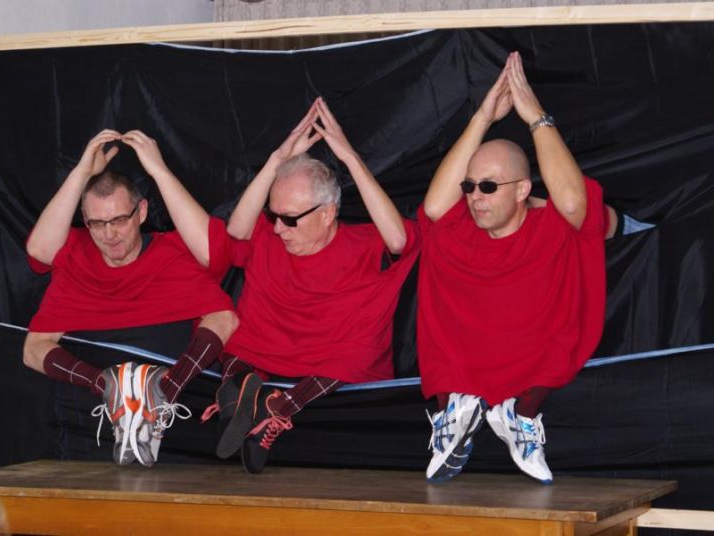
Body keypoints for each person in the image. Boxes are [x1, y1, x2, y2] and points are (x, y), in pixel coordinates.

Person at [193, 98, 420, 473]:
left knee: (353, 359)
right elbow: (236, 229)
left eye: (290, 219)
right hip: (264, 347)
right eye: (273, 216)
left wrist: (350, 158)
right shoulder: (269, 235)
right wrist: (277, 159)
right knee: (237, 344)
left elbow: (399, 240)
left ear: (328, 213)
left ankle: (272, 406)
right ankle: (247, 391)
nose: (278, 228)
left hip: (331, 357)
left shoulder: (367, 243)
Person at [417, 52, 607, 484]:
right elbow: (434, 205)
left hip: (531, 359)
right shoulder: (455, 231)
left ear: (523, 190)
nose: (474, 197)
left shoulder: (554, 227)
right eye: (470, 186)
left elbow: (573, 202)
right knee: (441, 348)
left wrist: (535, 116)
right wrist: (483, 117)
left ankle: (519, 415)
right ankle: (454, 413)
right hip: (464, 363)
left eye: (488, 186)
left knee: (558, 349)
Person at [23, 130, 238, 467]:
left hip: (173, 381)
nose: (109, 234)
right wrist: (81, 172)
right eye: (97, 223)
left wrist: (158, 170)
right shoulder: (75, 254)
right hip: (97, 388)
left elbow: (218, 275)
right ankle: (110, 388)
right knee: (32, 348)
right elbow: (38, 253)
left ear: (141, 212)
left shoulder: (170, 252)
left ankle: (161, 395)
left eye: (120, 220)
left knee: (223, 317)